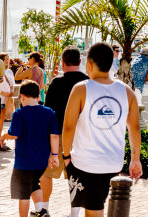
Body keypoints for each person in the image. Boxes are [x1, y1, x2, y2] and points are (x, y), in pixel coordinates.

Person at [62, 43, 142, 217]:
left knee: (94, 210)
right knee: (99, 205)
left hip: (86, 162)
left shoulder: (81, 89)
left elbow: (68, 127)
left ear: (89, 65)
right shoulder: (127, 92)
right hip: (113, 162)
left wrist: (66, 156)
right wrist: (135, 159)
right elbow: (134, 128)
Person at [0, 80, 59, 217]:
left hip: (24, 162)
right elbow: (54, 136)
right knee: (34, 184)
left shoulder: (19, 113)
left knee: (23, 193)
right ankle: (41, 210)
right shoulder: (50, 113)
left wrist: (3, 136)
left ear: (22, 97)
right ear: (38, 96)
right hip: (42, 161)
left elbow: (14, 134)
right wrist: (54, 155)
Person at [40, 45, 88, 215]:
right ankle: (74, 213)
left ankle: (44, 208)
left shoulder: (57, 83)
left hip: (57, 135)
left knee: (46, 173)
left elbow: (48, 112)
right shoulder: (88, 83)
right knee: (76, 176)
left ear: (63, 62)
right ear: (80, 61)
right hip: (81, 137)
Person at [0, 53, 15, 131]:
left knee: (3, 118)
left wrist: (11, 92)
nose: (7, 61)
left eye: (8, 59)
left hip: (7, 99)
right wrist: (3, 93)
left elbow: (12, 84)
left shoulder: (9, 71)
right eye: (5, 59)